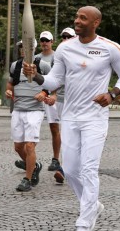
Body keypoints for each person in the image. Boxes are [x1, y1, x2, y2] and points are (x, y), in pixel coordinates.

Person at [23, 6, 120, 231]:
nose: (77, 21)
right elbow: (54, 81)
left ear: (96, 23)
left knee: (89, 169)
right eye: (76, 17)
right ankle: (92, 205)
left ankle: (85, 222)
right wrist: (36, 76)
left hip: (95, 117)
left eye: (83, 18)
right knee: (71, 170)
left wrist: (113, 94)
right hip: (70, 117)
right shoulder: (65, 48)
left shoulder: (110, 48)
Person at [6, 40, 51, 191]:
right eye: (21, 47)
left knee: (30, 145)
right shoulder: (15, 65)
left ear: (33, 49)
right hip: (18, 109)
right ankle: (35, 166)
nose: (23, 50)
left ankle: (27, 178)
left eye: (27, 47)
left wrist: (44, 93)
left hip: (35, 110)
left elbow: (53, 84)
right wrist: (9, 92)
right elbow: (11, 84)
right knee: (18, 147)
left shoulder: (43, 65)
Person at [33, 31, 63, 173]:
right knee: (33, 128)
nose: (44, 43)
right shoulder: (35, 58)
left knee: (56, 128)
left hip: (53, 97)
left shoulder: (58, 57)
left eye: (47, 40)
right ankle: (28, 157)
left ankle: (56, 159)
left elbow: (59, 78)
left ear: (52, 41)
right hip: (39, 96)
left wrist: (53, 94)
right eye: (42, 40)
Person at [51, 27, 77, 184]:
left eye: (68, 36)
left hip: (76, 101)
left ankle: (66, 168)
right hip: (60, 100)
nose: (65, 39)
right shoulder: (59, 55)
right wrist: (51, 93)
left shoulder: (81, 54)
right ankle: (62, 164)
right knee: (63, 133)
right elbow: (55, 78)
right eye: (63, 36)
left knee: (71, 135)